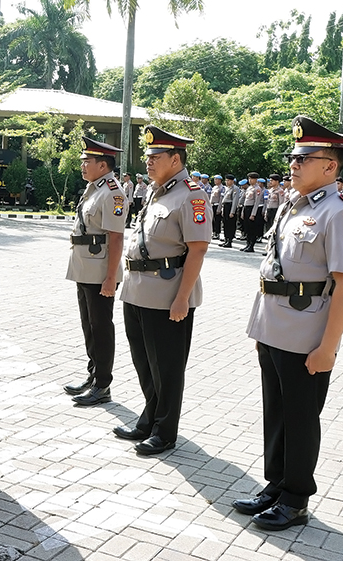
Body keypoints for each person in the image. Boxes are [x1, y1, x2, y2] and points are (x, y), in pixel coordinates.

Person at [234, 115, 343, 531]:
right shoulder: (295, 206)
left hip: (307, 335)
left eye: (303, 157)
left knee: (301, 416)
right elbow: (273, 271)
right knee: (276, 411)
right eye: (293, 157)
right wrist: (261, 329)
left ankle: (296, 498)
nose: (293, 164)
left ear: (330, 166)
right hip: (274, 329)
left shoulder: (339, 213)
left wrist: (328, 347)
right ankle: (276, 484)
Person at [113, 125, 210, 456]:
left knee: (167, 367)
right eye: (148, 156)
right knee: (144, 362)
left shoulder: (191, 195)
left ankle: (165, 431)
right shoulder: (158, 191)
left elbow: (197, 249)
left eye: (155, 156)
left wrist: (182, 298)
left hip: (167, 294)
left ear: (175, 158)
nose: (149, 162)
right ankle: (149, 418)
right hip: (137, 290)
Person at [62, 138, 127, 406]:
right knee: (89, 324)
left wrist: (110, 277)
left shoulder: (113, 192)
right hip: (84, 267)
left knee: (101, 326)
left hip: (100, 271)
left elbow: (116, 238)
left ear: (103, 165)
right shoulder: (94, 188)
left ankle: (103, 384)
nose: (82, 165)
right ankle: (93, 375)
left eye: (87, 161)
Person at [219, 174, 240, 247]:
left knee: (230, 225)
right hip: (225, 207)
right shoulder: (226, 188)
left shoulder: (235, 188)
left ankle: (229, 240)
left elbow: (235, 200)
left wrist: (232, 211)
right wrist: (222, 209)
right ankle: (226, 239)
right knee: (225, 224)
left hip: (230, 207)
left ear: (232, 181)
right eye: (226, 180)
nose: (226, 182)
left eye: (228, 180)